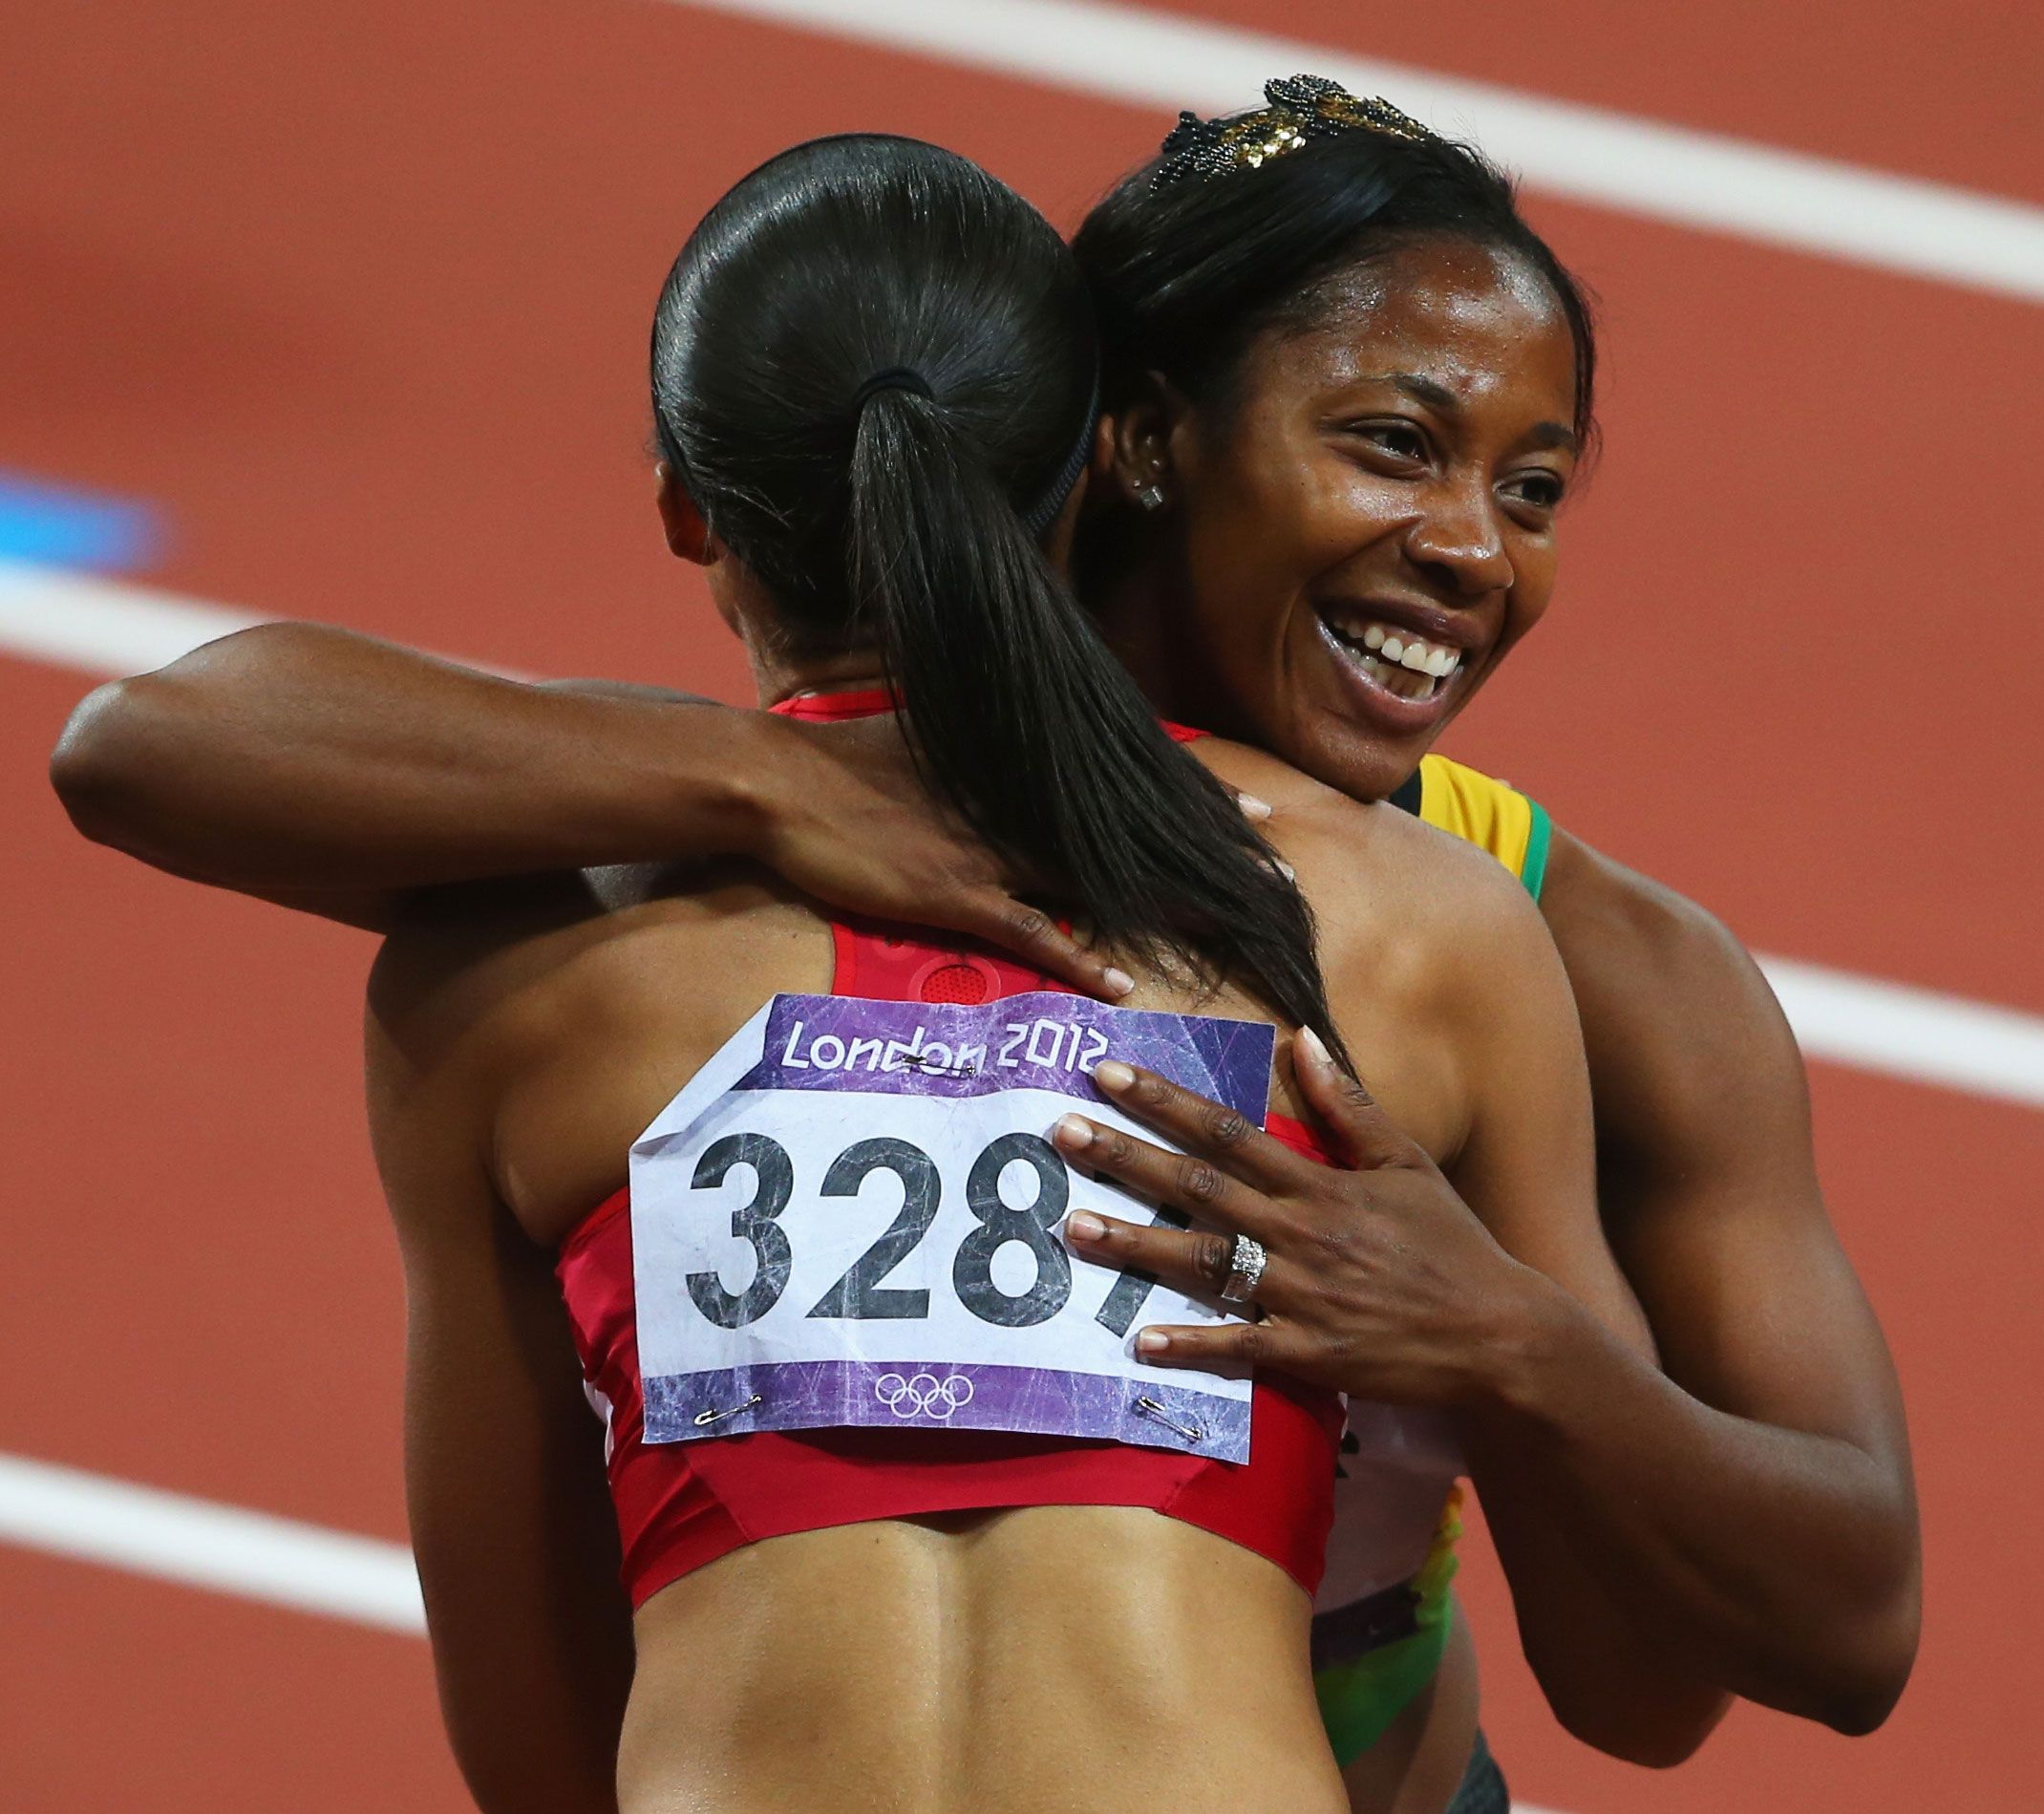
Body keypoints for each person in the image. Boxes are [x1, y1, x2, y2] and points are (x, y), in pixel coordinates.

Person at [49, 79, 1918, 1811]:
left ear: (703, 513)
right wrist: (755, 783)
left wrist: (1502, 1339)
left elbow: (543, 1753)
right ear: (1117, 449)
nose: (1467, 549)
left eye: (1530, 487)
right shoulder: (1428, 943)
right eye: (1387, 445)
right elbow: (156, 742)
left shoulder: (555, 949)